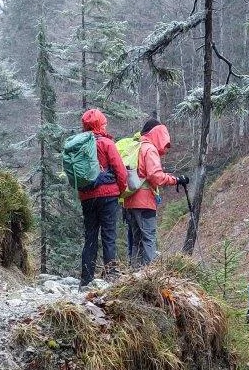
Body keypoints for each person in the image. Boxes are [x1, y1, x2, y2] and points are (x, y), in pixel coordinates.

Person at [123, 118, 186, 267]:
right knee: (148, 238)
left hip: (130, 200)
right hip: (144, 202)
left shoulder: (137, 147)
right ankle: (148, 274)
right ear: (158, 134)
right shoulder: (149, 149)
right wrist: (175, 180)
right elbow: (155, 176)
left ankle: (134, 272)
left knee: (136, 239)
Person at [76, 108, 128, 285]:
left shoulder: (79, 145)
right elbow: (120, 171)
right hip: (108, 195)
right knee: (108, 235)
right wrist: (121, 191)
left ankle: (86, 278)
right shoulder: (106, 143)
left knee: (90, 235)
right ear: (100, 124)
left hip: (87, 197)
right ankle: (110, 274)